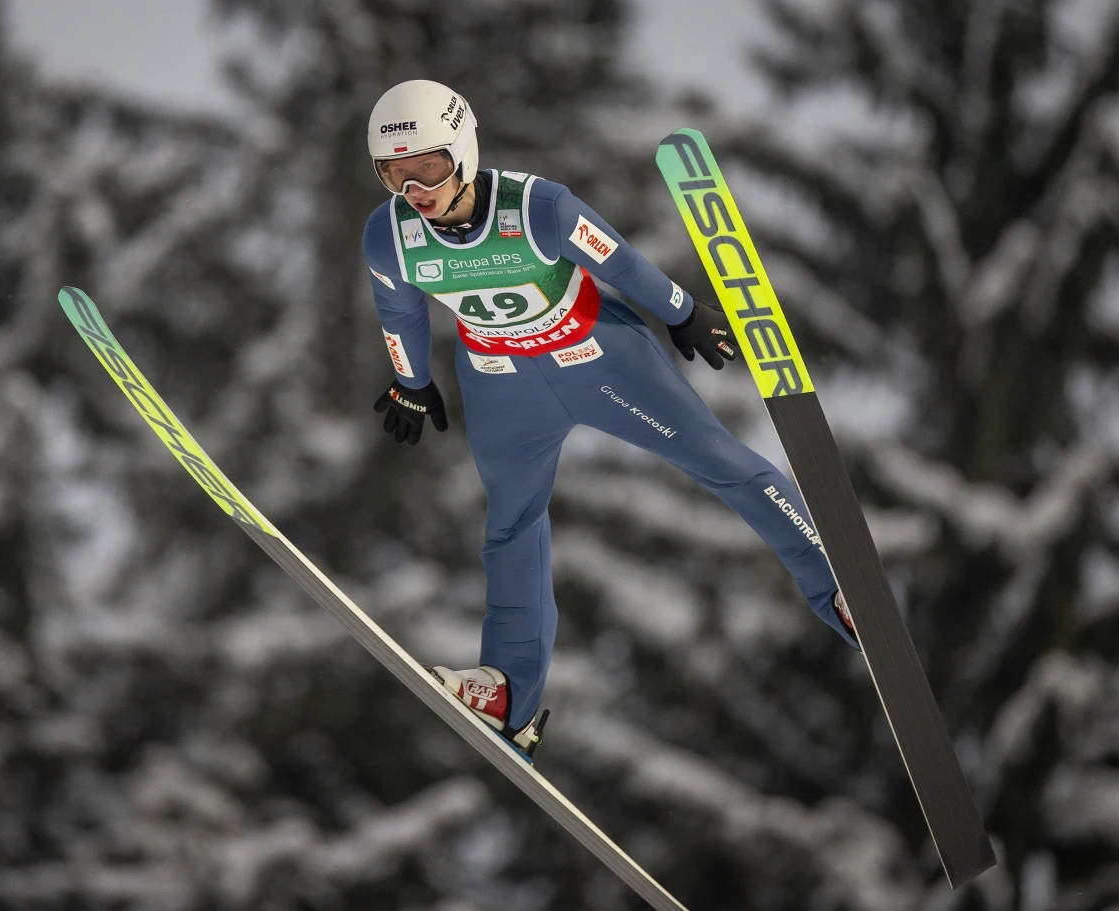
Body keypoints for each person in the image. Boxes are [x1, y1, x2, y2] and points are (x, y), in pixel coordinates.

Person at [361, 80, 858, 760]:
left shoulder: (537, 206)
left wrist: (682, 311)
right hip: (502, 385)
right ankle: (510, 694)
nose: (416, 189)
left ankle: (836, 584)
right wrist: (411, 383)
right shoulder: (389, 236)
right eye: (395, 174)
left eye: (429, 167)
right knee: (511, 524)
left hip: (600, 358)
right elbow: (400, 311)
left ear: (464, 152)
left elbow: (618, 260)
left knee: (718, 460)